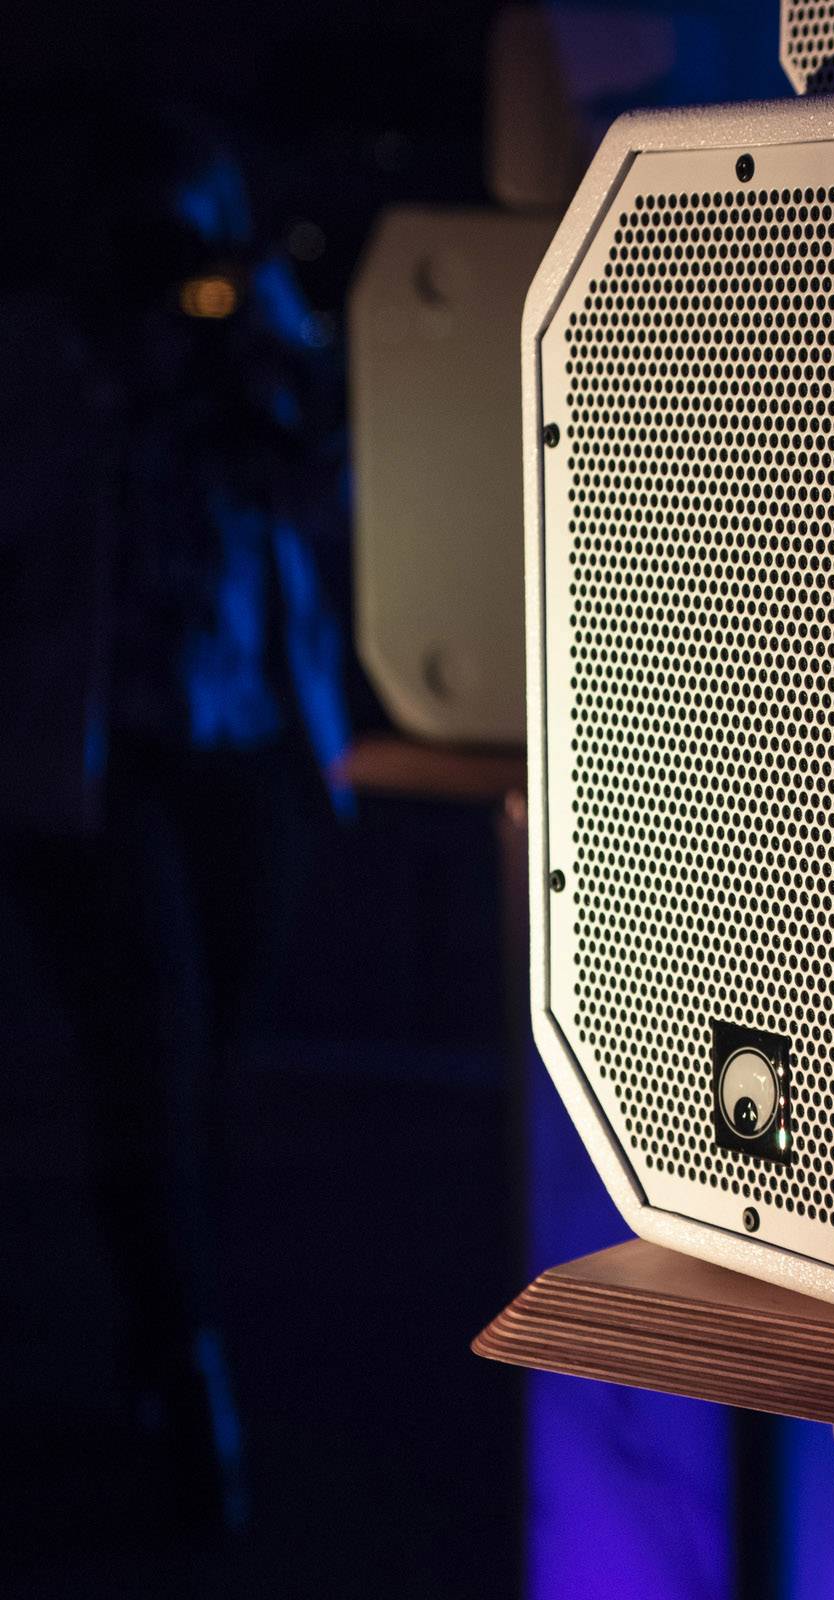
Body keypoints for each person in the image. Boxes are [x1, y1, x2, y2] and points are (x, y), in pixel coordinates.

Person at [0, 100, 354, 1535]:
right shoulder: (46, 350)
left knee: (211, 1064)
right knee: (146, 1059)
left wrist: (264, 345)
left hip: (247, 750)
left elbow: (328, 494)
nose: (183, 262)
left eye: (207, 231)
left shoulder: (250, 341)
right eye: (164, 235)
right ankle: (190, 1372)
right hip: (96, 766)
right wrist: (114, 378)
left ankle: (167, 1321)